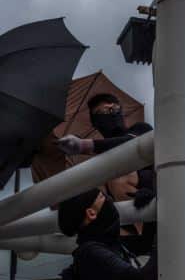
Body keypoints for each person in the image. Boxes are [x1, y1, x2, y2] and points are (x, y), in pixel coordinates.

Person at [57, 93, 155, 234]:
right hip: (129, 222)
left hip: (156, 196)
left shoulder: (141, 129)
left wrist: (83, 145)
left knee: (117, 175)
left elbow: (129, 143)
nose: (112, 113)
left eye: (115, 109)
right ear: (96, 122)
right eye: (104, 112)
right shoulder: (99, 163)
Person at [57, 188, 157, 280]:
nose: (109, 199)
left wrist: (148, 202)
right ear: (91, 213)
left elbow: (144, 245)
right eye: (103, 197)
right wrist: (165, 238)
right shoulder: (91, 253)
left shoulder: (102, 245)